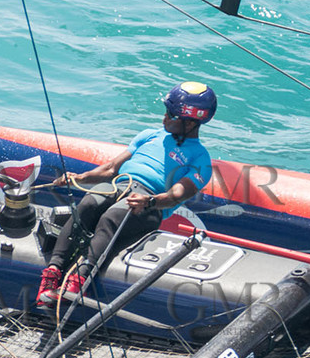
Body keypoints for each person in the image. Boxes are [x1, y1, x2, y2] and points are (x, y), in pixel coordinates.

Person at [36, 82, 217, 307]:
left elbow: (177, 195)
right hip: (119, 185)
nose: (164, 117)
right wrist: (79, 178)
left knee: (111, 217)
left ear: (190, 123)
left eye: (171, 114)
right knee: (88, 204)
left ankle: (76, 283)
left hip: (149, 205)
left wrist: (149, 201)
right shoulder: (149, 135)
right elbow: (111, 169)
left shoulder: (200, 158)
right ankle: (52, 272)